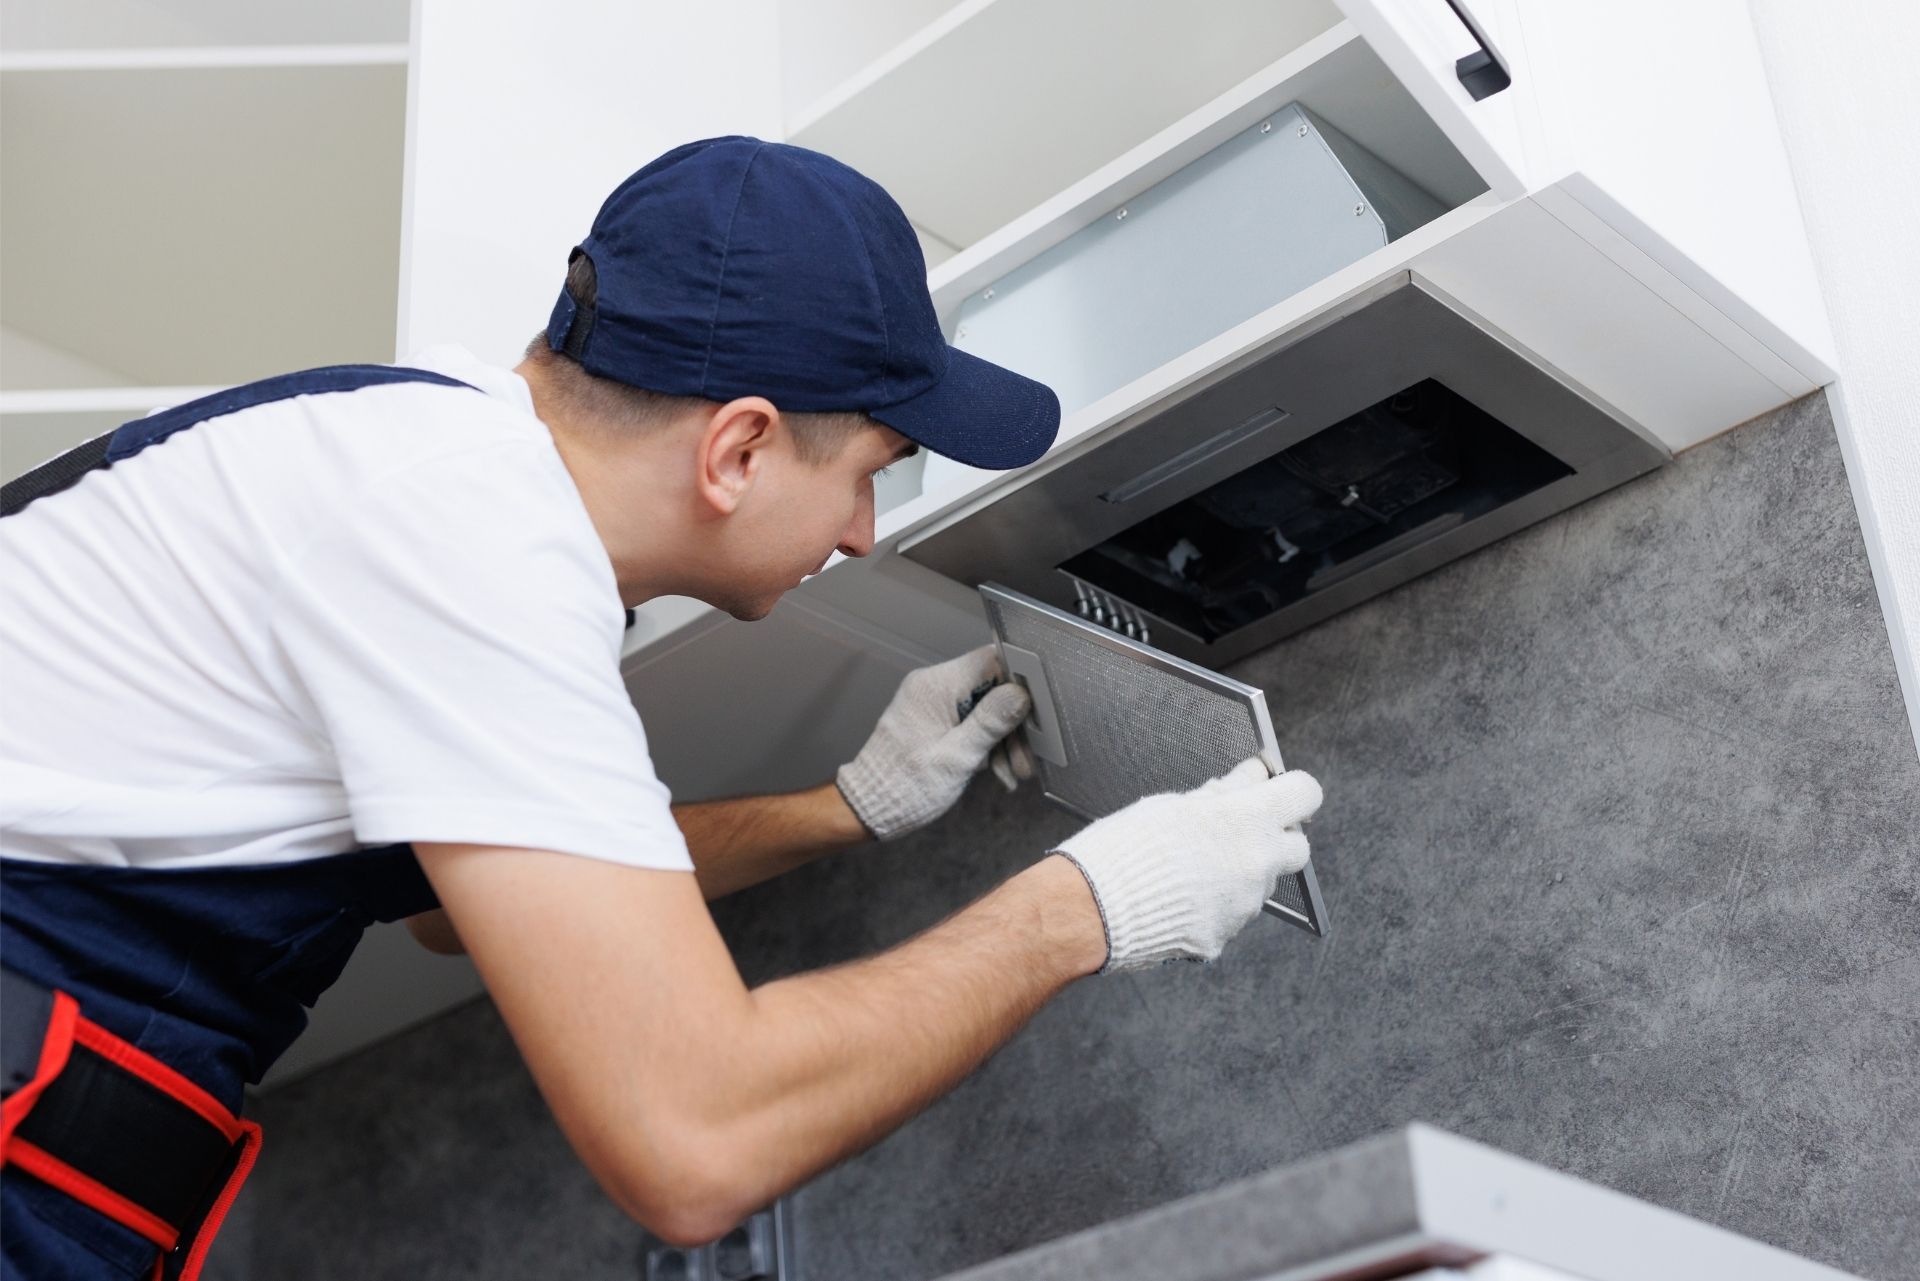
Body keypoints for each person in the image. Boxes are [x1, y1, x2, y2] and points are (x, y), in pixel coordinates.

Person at [0, 136, 1322, 1277]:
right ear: (741, 446)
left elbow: (465, 912)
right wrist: (1089, 904)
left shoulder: (435, 464)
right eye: (874, 470)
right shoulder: (472, 540)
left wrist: (847, 808)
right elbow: (695, 1136)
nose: (865, 532)